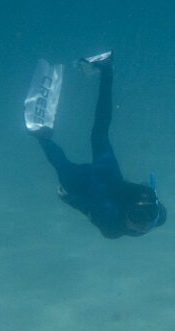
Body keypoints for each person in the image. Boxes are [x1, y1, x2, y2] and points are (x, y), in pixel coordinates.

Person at [25, 52, 167, 238]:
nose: (143, 226)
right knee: (99, 133)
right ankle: (106, 69)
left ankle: (42, 137)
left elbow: (86, 207)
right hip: (108, 176)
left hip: (84, 184)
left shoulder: (110, 225)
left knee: (62, 166)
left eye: (146, 218)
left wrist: (68, 198)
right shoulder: (154, 212)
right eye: (144, 216)